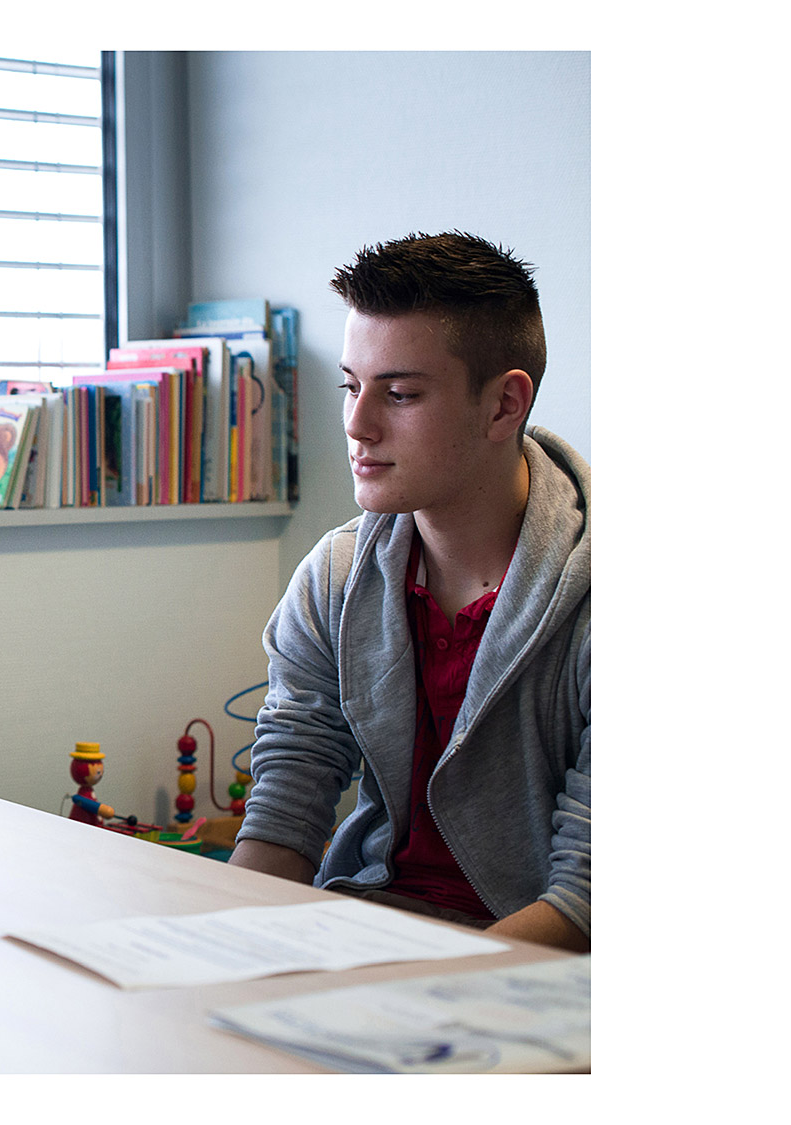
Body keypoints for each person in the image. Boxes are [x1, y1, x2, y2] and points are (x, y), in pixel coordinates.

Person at [228, 231, 590, 953]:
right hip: (363, 935)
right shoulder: (333, 578)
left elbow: (589, 901)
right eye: (350, 386)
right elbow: (282, 818)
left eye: (399, 393)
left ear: (503, 406)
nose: (358, 426)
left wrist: (410, 992)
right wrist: (210, 948)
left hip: (537, 974)